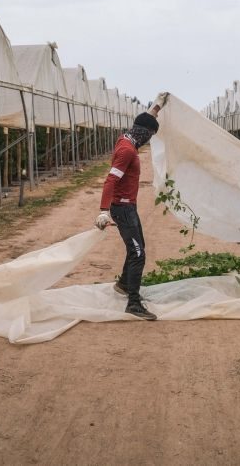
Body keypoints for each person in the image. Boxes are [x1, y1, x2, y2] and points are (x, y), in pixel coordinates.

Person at [95, 93, 169, 320]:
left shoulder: (127, 138)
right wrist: (103, 211)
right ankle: (133, 304)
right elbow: (111, 179)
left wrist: (156, 106)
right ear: (144, 134)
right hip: (122, 208)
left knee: (138, 247)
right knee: (138, 253)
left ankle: (125, 285)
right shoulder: (127, 151)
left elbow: (143, 120)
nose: (148, 141)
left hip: (129, 206)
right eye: (149, 136)